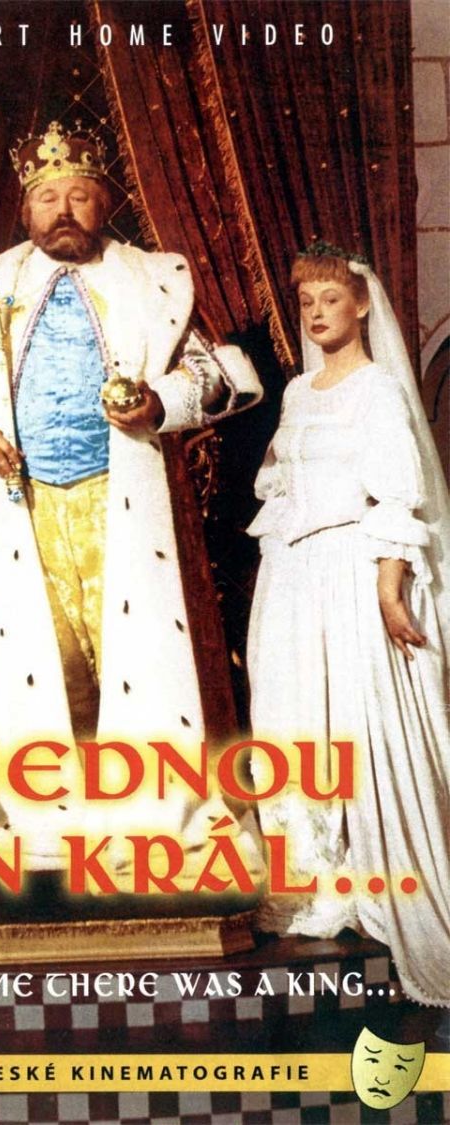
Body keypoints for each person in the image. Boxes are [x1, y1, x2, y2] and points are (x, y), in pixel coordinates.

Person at [0, 119, 265, 868]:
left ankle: (145, 812)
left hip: (122, 494)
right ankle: (53, 820)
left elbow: (217, 370)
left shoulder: (152, 280)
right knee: (49, 657)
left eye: (79, 195)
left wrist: (160, 403)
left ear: (106, 201)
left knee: (132, 650)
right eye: (47, 197)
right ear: (25, 208)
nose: (63, 210)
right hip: (25, 502)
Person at [246, 245, 450, 1007]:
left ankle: (370, 881)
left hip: (350, 568)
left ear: (361, 305)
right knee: (291, 715)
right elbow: (280, 483)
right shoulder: (298, 391)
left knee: (351, 724)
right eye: (307, 302)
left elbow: (397, 496)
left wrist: (391, 590)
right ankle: (317, 879)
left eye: (331, 298)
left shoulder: (379, 390)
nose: (317, 313)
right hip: (292, 572)